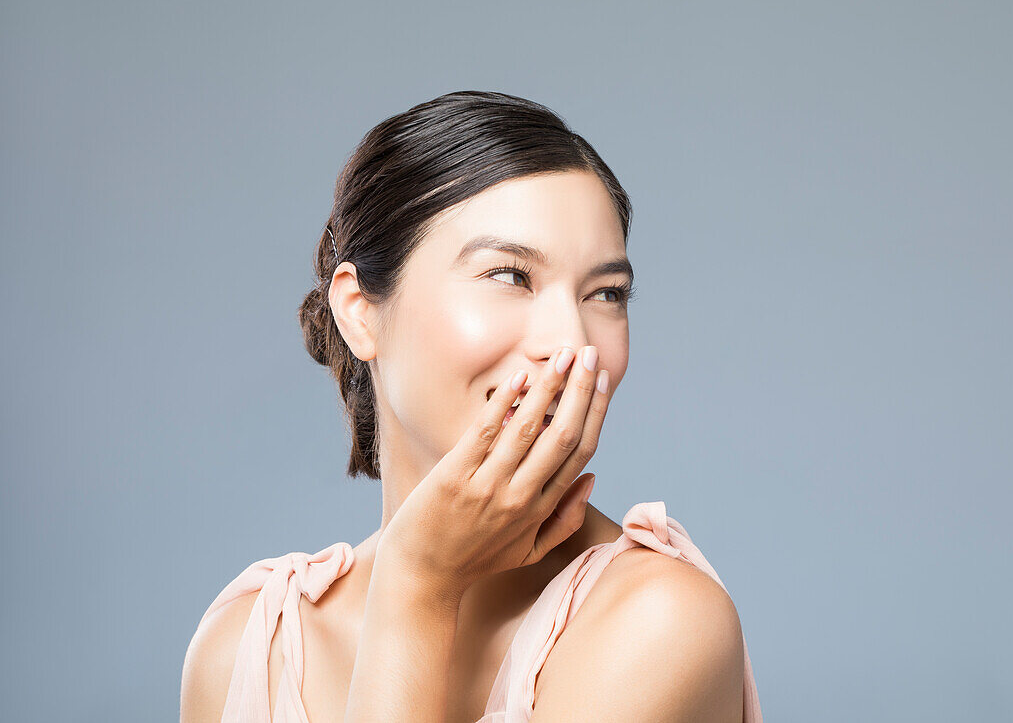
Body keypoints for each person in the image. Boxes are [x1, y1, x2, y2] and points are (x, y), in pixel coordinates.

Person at [180, 90, 762, 722]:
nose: (571, 342)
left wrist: (416, 586)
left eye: (606, 292)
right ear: (359, 311)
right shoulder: (249, 650)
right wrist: (415, 581)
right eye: (510, 276)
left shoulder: (659, 623)